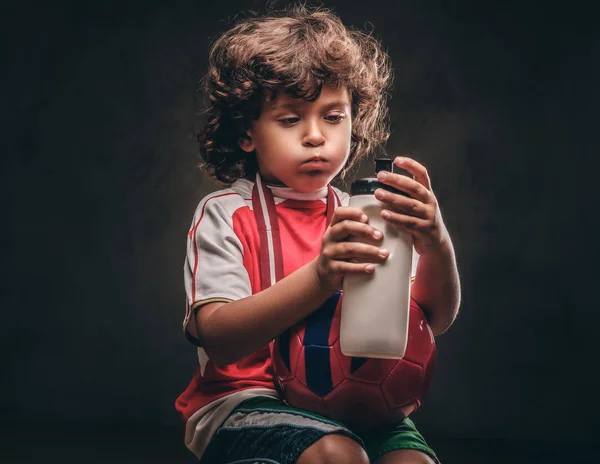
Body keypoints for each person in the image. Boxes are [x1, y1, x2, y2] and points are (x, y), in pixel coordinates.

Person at [175, 5, 460, 464]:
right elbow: (219, 339)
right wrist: (322, 276)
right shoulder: (227, 214)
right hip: (245, 400)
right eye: (291, 120)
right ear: (247, 133)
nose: (315, 137)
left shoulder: (364, 214)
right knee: (338, 454)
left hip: (357, 399)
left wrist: (434, 241)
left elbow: (433, 320)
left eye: (333, 116)